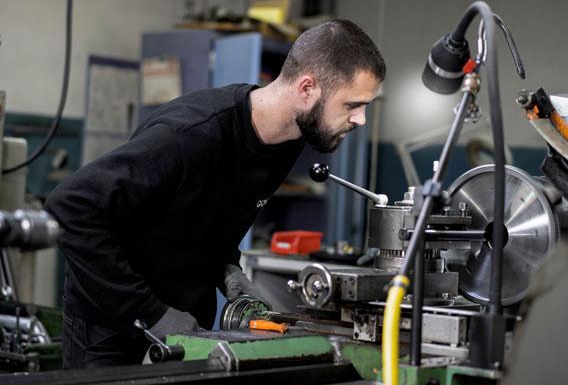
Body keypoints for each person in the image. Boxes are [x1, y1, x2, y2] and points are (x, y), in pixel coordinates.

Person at [44, 18, 386, 369]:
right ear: (307, 88)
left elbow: (203, 213)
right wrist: (152, 314)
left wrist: (228, 268)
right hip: (109, 326)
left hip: (186, 324)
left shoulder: (288, 140)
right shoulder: (191, 135)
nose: (360, 119)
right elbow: (70, 206)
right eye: (352, 105)